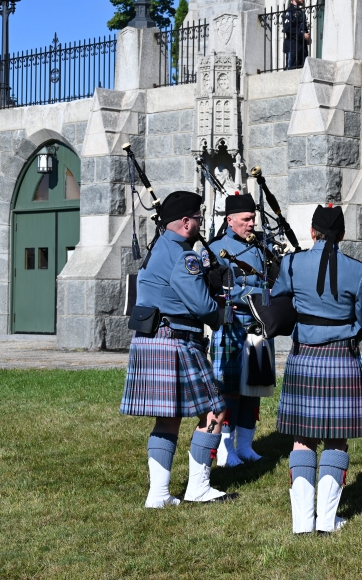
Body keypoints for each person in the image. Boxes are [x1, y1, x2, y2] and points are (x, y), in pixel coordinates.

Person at [120, 191, 234, 508]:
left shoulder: (160, 248)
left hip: (151, 337)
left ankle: (158, 496)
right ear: (185, 222)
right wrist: (221, 311)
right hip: (176, 339)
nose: (200, 221)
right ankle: (198, 488)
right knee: (215, 409)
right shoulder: (185, 256)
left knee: (167, 418)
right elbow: (201, 306)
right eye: (197, 217)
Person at [271, 205, 362, 534]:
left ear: (313, 232)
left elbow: (278, 305)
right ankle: (327, 522)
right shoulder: (358, 270)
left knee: (302, 439)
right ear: (342, 235)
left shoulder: (291, 263)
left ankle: (303, 524)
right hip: (342, 357)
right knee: (336, 440)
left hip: (303, 357)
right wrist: (350, 333)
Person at [207, 194, 277, 467]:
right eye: (246, 219)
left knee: (254, 387)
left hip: (258, 324)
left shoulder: (261, 247)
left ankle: (245, 446)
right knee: (231, 390)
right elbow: (219, 289)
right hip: (232, 322)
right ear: (230, 220)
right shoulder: (215, 249)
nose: (251, 224)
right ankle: (226, 449)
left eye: (253, 219)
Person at [282, 0, 310, 70]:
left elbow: (303, 27)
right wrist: (302, 35)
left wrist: (307, 36)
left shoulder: (301, 13)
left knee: (303, 71)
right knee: (290, 70)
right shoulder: (289, 12)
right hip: (292, 45)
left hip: (302, 47)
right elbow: (288, 29)